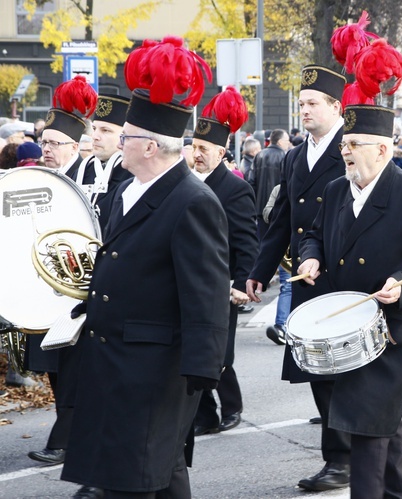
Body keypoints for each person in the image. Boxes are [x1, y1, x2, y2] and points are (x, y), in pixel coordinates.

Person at [60, 36, 229, 498]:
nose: (117, 143)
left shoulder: (193, 201)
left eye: (126, 136)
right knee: (162, 471)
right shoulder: (126, 190)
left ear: (151, 147)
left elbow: (206, 292)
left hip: (155, 368)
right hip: (116, 355)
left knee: (135, 476)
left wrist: (200, 372)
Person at [297, 103, 402, 499]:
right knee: (383, 422)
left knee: (368, 424)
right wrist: (310, 256)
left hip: (390, 328)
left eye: (353, 144)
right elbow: (313, 234)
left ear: (382, 150)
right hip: (342, 324)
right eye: (344, 144)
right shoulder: (335, 191)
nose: (344, 151)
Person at [246, 65, 353, 491]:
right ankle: (339, 456)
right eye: (301, 103)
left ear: (335, 107)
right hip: (305, 275)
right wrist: (260, 270)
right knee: (316, 368)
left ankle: (345, 457)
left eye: (312, 103)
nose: (304, 109)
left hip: (342, 273)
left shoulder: (352, 145)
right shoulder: (294, 155)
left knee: (341, 370)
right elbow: (284, 219)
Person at [25, 76, 100, 468]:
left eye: (54, 143)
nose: (47, 149)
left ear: (74, 145)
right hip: (46, 289)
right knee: (54, 366)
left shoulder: (93, 177)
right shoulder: (40, 177)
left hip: (80, 290)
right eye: (44, 142)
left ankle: (65, 439)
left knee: (73, 368)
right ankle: (69, 430)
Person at [190, 86, 259, 436]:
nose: (197, 154)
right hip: (190, 283)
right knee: (194, 352)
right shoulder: (184, 182)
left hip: (222, 284)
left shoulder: (235, 189)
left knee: (220, 355)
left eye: (204, 149)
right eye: (194, 147)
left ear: (221, 152)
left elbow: (247, 241)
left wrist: (242, 282)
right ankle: (204, 415)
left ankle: (231, 406)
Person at [249, 128, 292, 344]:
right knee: (289, 281)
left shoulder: (260, 156)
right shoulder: (287, 158)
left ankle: (283, 324)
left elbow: (252, 182)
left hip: (263, 214)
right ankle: (283, 324)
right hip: (281, 220)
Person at [89, 94, 133, 231]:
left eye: (106, 130)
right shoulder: (84, 169)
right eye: (94, 128)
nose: (95, 136)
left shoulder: (132, 174)